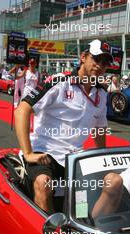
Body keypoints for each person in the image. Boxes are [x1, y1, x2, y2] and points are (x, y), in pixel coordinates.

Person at [14, 39, 113, 214]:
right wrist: (28, 153)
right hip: (45, 151)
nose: (100, 65)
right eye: (96, 59)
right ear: (83, 57)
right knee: (43, 184)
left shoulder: (102, 94)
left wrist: (102, 159)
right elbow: (22, 110)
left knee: (85, 199)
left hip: (74, 157)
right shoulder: (60, 81)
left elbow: (99, 128)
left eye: (105, 62)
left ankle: (79, 230)